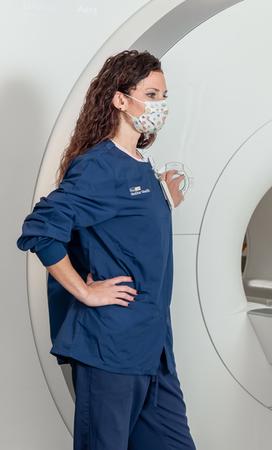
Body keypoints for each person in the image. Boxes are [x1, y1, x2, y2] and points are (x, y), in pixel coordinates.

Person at [17, 50, 195, 450]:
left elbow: (127, 223)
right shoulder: (99, 166)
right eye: (151, 94)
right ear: (120, 99)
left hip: (154, 350)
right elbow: (41, 229)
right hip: (111, 349)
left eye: (163, 95)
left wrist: (163, 195)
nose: (159, 105)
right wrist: (84, 290)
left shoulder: (140, 166)